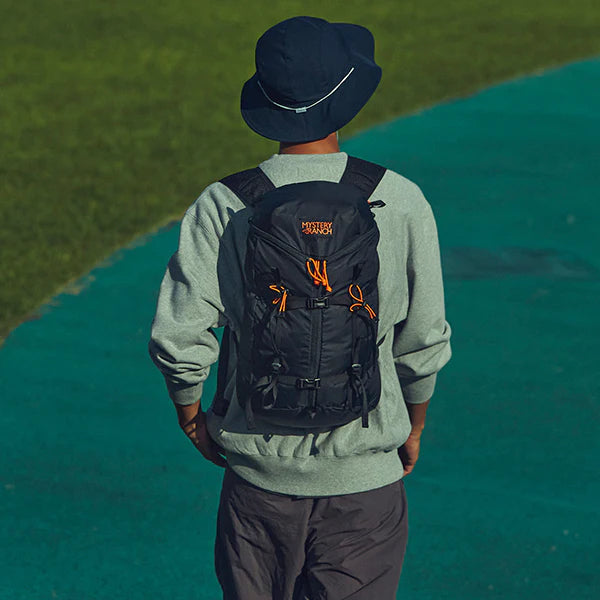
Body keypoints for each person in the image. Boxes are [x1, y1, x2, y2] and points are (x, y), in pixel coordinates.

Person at [148, 15, 452, 600]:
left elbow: (179, 337)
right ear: (345, 100)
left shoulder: (224, 203)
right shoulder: (398, 198)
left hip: (258, 484)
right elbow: (422, 341)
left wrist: (191, 417)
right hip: (365, 484)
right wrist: (412, 426)